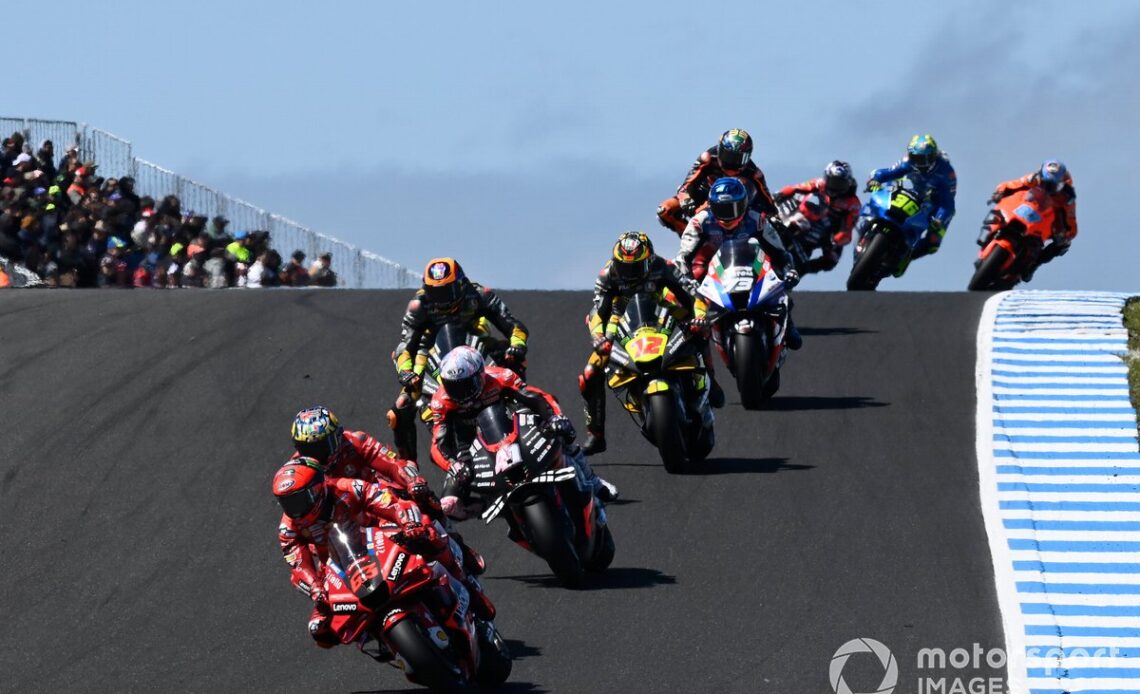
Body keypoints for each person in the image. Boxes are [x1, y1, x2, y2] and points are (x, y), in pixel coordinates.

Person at [272, 458, 495, 650]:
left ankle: (467, 587)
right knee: (319, 630)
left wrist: (408, 522)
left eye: (299, 499)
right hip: (339, 567)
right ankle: (381, 641)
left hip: (378, 538)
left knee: (429, 532)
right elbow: (298, 563)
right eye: (287, 502)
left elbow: (385, 500)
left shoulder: (347, 487)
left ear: (318, 487)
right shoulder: (288, 528)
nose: (294, 509)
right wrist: (314, 587)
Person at [429, 346, 618, 515]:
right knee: (449, 505)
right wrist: (453, 464)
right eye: (454, 387)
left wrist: (555, 418)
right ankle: (491, 507)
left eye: (466, 385)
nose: (461, 394)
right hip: (469, 446)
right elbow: (438, 444)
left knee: (563, 432)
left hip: (511, 426)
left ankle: (592, 480)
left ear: (480, 374)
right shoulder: (440, 402)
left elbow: (538, 397)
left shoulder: (501, 376)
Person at [387, 258, 530, 462]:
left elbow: (515, 326)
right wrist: (405, 372)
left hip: (476, 346)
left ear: (460, 284)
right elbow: (405, 347)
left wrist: (517, 345)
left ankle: (532, 419)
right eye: (435, 292)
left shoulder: (479, 294)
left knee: (515, 362)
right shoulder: (419, 305)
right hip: (431, 356)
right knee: (401, 407)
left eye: (446, 291)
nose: (441, 298)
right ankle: (408, 469)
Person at [579, 232, 711, 453]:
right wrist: (598, 337)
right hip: (619, 320)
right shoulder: (607, 275)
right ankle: (596, 434)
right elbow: (597, 312)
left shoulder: (663, 266)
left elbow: (693, 295)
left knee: (698, 330)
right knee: (590, 373)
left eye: (635, 268)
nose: (628, 273)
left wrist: (699, 317)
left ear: (648, 261)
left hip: (662, 309)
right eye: (623, 267)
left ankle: (711, 380)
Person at [675, 177, 802, 347]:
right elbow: (684, 256)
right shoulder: (700, 222)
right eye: (722, 208)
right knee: (694, 282)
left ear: (744, 205)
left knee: (778, 279)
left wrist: (789, 271)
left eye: (733, 208)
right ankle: (701, 323)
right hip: (713, 264)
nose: (728, 214)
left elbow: (780, 252)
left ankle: (788, 325)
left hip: (750, 261)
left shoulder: (757, 220)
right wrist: (687, 279)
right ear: (712, 206)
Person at [855, 134, 957, 268]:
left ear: (932, 157)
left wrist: (939, 219)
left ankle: (905, 258)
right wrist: (875, 180)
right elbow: (889, 172)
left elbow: (947, 204)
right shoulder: (909, 161)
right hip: (914, 191)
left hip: (937, 201)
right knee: (877, 205)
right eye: (914, 157)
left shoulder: (945, 172)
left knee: (933, 243)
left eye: (921, 159)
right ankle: (869, 229)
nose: (917, 161)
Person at [656, 128, 779, 234]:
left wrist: (771, 215)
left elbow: (768, 202)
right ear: (720, 149)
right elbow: (686, 186)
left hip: (734, 203)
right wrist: (687, 201)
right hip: (704, 192)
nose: (731, 163)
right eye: (728, 156)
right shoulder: (707, 158)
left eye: (738, 158)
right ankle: (690, 240)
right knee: (665, 210)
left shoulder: (754, 173)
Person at [984, 160, 1077, 282]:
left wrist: (1065, 235)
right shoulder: (1033, 178)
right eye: (1045, 182)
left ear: (1061, 184)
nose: (1047, 187)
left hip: (1045, 223)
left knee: (1064, 245)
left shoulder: (1067, 197)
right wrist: (999, 192)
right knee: (1000, 210)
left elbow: (1071, 222)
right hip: (1024, 209)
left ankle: (1034, 265)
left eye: (1053, 185)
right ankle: (991, 232)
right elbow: (1012, 184)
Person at [774, 161, 861, 274]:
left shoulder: (852, 203)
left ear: (847, 184)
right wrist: (779, 195)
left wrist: (834, 241)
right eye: (833, 182)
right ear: (826, 178)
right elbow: (795, 188)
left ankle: (800, 269)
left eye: (840, 184)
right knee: (811, 200)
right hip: (798, 218)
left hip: (828, 233)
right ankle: (780, 224)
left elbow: (848, 230)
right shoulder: (819, 184)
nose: (835, 187)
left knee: (831, 260)